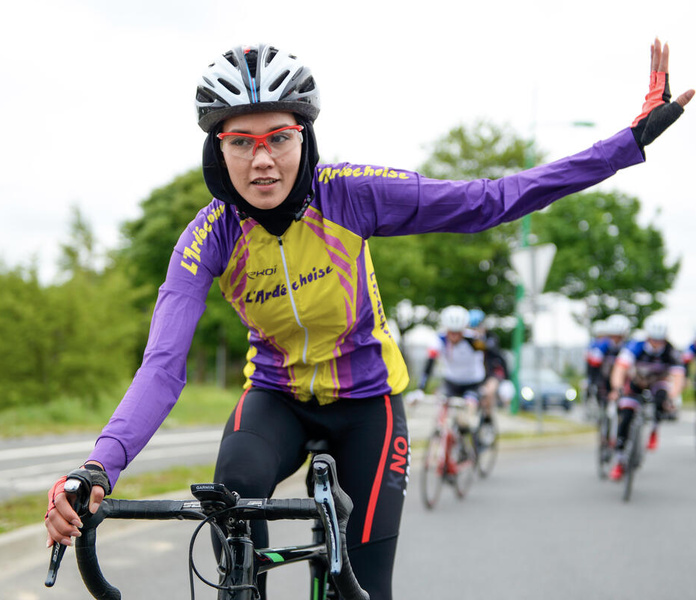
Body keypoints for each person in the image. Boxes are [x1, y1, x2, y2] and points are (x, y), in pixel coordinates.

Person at [45, 40, 692, 599]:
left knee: (365, 587)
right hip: (275, 398)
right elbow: (162, 366)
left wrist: (628, 143)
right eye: (241, 141)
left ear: (305, 136)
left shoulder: (350, 193)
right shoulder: (209, 236)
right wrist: (98, 468)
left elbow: (492, 201)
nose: (262, 159)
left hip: (368, 406)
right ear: (219, 148)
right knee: (233, 501)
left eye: (279, 138)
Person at [607, 317, 686, 480]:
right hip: (637, 382)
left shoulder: (671, 351)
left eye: (660, 340)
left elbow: (678, 376)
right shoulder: (635, 347)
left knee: (662, 398)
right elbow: (619, 369)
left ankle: (654, 429)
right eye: (654, 339)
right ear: (648, 337)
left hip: (658, 383)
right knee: (626, 414)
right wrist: (617, 388)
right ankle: (620, 459)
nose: (657, 343)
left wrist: (673, 396)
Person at [468, 307, 510, 413]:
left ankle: (488, 418)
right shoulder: (466, 340)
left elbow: (495, 352)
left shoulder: (491, 337)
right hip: (474, 373)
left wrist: (479, 339)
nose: (475, 330)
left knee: (488, 392)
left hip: (491, 373)